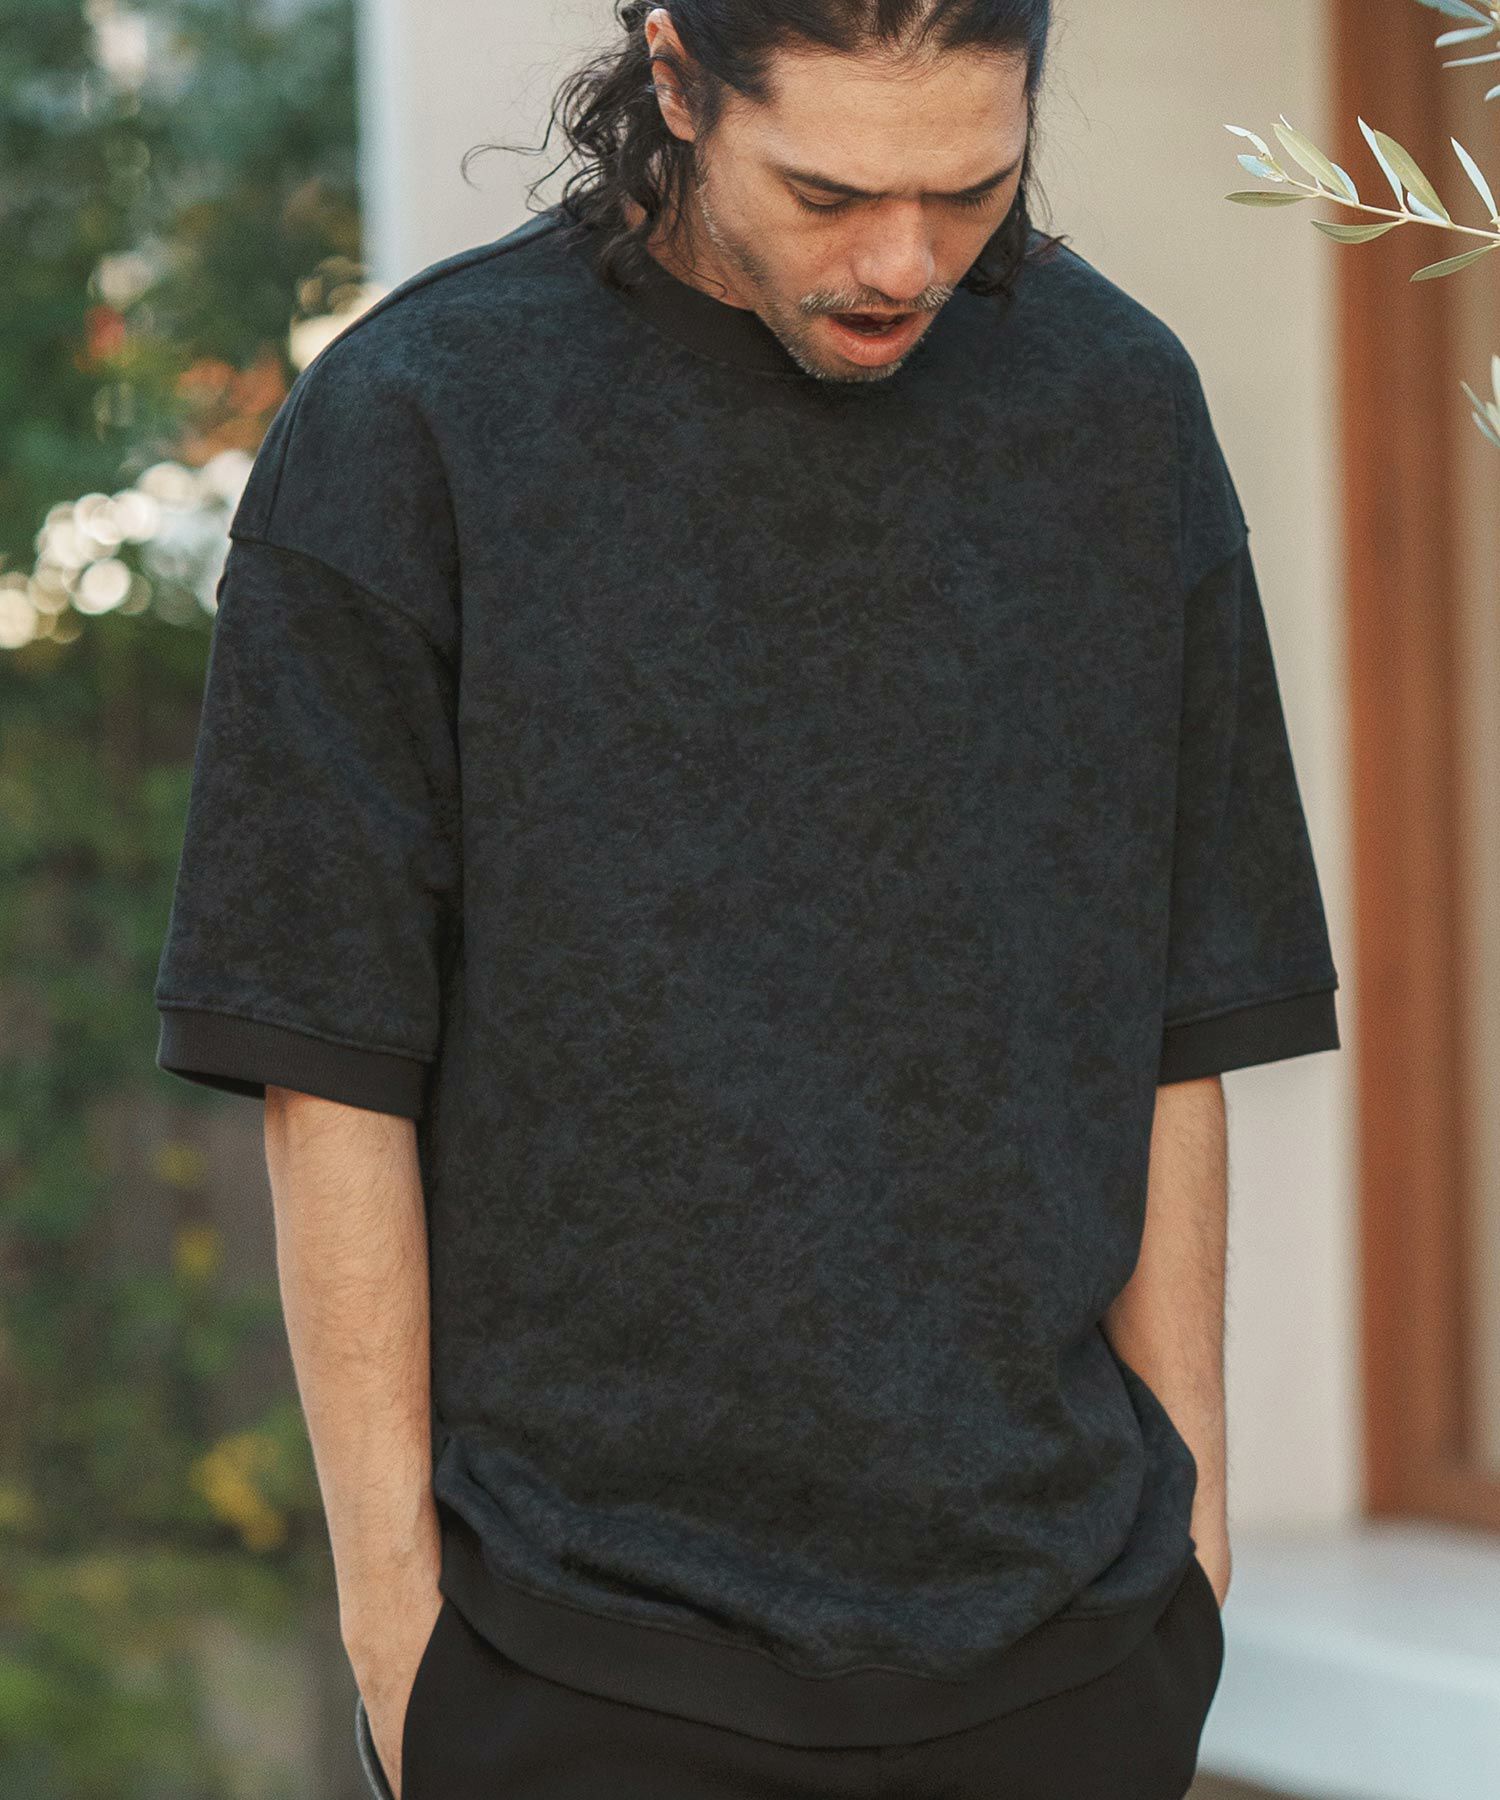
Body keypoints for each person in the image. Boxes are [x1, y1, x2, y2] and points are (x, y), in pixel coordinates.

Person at [153, 1, 1342, 1795]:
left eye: (972, 189)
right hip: (572, 1655)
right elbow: (327, 1063)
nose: (905, 262)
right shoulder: (417, 420)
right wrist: (400, 1634)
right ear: (677, 80)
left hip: (1072, 1650)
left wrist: (1193, 1539)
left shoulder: (1117, 405)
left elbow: (1184, 1008)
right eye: (832, 193)